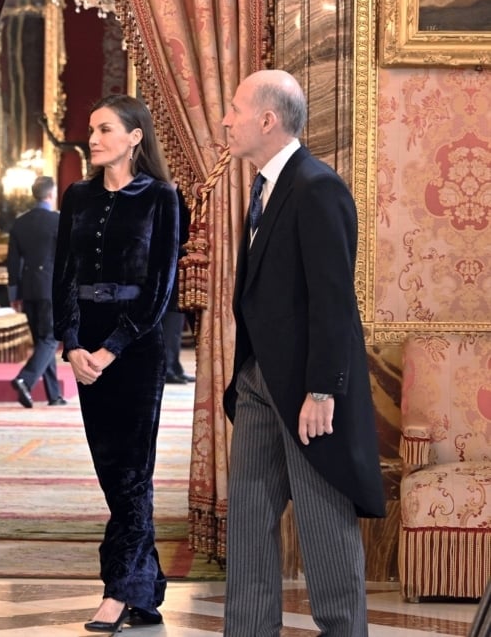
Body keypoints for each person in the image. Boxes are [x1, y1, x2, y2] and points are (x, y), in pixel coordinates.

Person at [220, 69, 385, 636]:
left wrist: (322, 389)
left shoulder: (317, 187)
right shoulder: (265, 187)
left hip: (306, 391)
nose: (226, 120)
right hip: (257, 382)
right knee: (247, 520)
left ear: (267, 119)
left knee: (323, 526)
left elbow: (334, 299)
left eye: (235, 109)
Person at [53, 94, 181, 632]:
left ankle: (119, 590)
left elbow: (160, 287)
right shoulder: (77, 196)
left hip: (135, 351)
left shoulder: (162, 197)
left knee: (131, 473)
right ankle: (145, 591)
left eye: (105, 129)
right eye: (91, 129)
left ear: (135, 137)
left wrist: (111, 349)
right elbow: (63, 276)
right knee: (114, 474)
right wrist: (72, 344)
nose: (93, 138)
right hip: (86, 350)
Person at [7, 175, 65, 408]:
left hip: (28, 289)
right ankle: (25, 379)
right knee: (50, 339)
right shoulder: (58, 221)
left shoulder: (19, 223)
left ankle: (54, 395)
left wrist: (14, 295)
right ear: (51, 194)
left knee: (43, 341)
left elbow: (12, 263)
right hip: (50, 288)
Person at [162, 189, 195, 385]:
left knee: (175, 319)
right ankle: (168, 368)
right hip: (173, 262)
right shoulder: (170, 195)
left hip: (179, 261)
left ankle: (173, 366)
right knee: (171, 318)